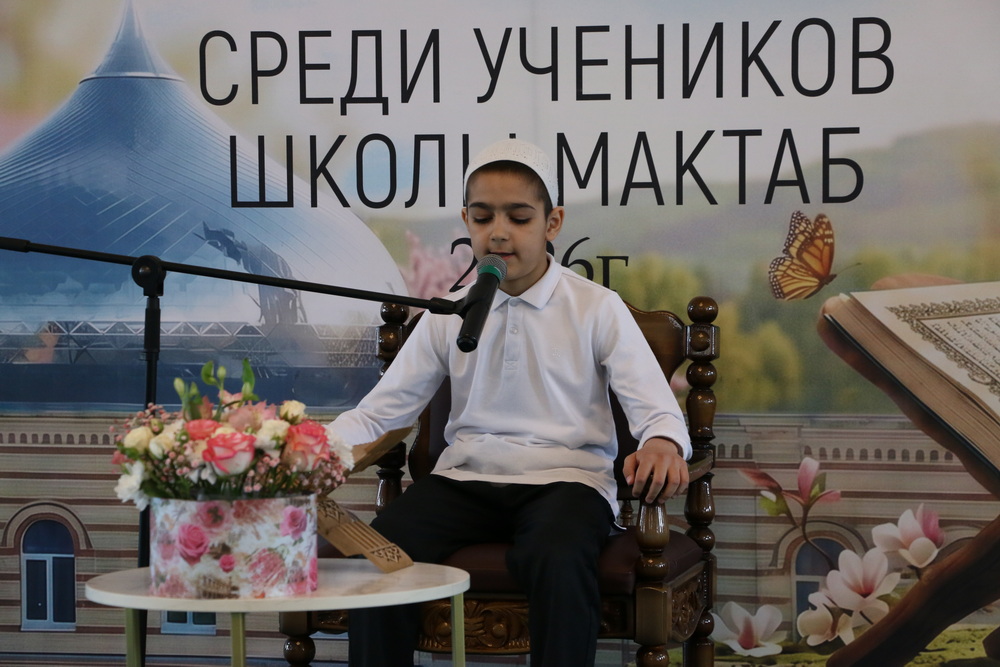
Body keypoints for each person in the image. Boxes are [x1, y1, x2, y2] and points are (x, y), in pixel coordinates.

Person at [325, 137, 691, 666]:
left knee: (557, 554)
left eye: (518, 217)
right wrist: (312, 454)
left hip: (568, 481)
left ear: (553, 222)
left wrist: (661, 442)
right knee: (382, 554)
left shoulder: (596, 307)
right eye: (482, 217)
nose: (498, 232)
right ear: (466, 222)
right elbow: (381, 412)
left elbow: (657, 410)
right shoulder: (449, 312)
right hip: (464, 479)